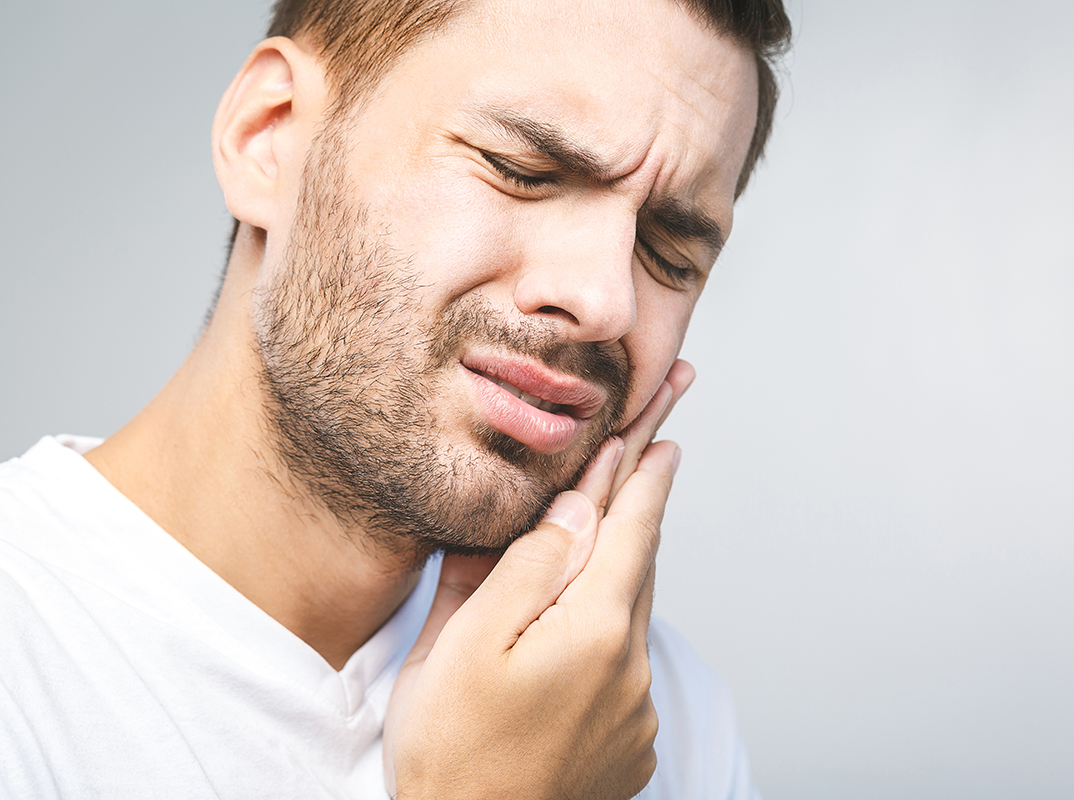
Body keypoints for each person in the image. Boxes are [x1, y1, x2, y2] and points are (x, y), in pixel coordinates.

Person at [0, 0, 791, 796]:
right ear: (266, 137)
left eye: (668, 252)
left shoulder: (642, 721)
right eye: (521, 171)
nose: (606, 301)